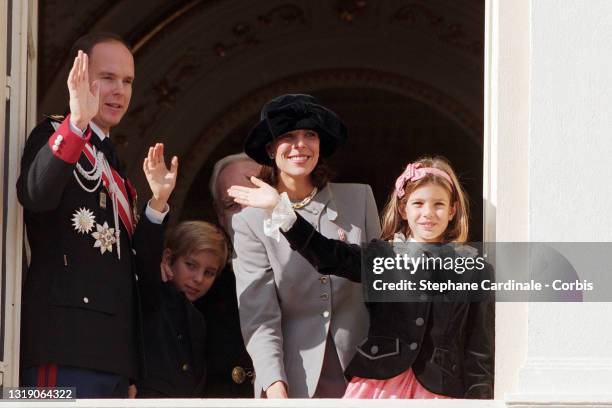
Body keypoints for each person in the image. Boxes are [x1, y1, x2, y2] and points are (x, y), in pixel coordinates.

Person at [229, 156, 494, 399]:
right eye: (418, 203)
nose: (428, 213)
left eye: (439, 205)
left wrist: (481, 400)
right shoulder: (383, 257)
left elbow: (479, 351)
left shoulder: (474, 269)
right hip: (378, 388)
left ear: (452, 211)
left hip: (442, 392)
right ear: (403, 209)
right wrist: (280, 209)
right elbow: (327, 254)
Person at [17, 32, 178, 397]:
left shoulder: (115, 166)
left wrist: (157, 206)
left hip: (115, 359)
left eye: (127, 81)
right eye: (108, 78)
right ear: (80, 77)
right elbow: (35, 194)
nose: (119, 90)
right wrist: (75, 125)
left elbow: (138, 275)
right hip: (61, 347)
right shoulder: (53, 134)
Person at [230, 94, 381, 398]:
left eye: (309, 135)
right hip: (295, 379)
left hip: (365, 373)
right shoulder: (249, 222)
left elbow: (381, 283)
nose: (300, 144)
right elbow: (259, 315)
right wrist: (275, 387)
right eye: (288, 136)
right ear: (271, 149)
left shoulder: (359, 199)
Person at [135, 221, 228, 397]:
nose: (199, 279)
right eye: (191, 265)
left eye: (209, 273)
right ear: (168, 258)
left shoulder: (198, 319)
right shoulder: (149, 295)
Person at [193, 153, 258, 398]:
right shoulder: (204, 287)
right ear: (220, 215)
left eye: (252, 199)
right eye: (232, 205)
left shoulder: (317, 265)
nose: (246, 214)